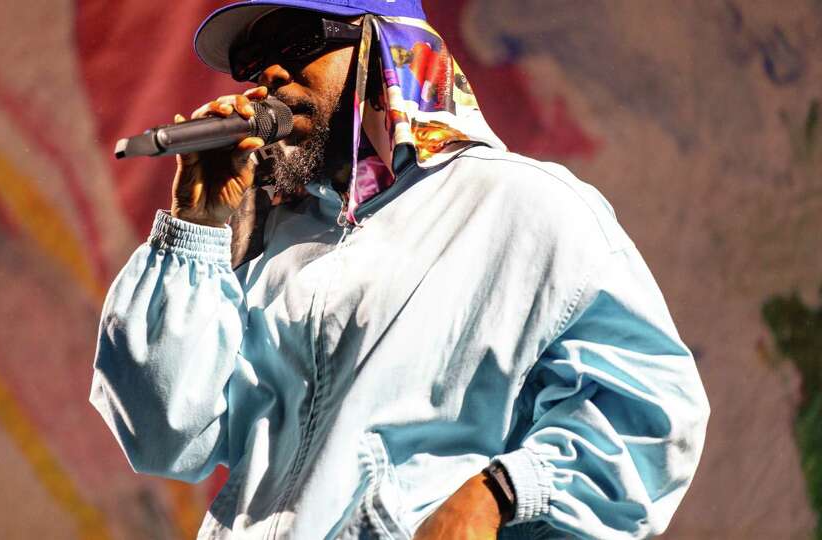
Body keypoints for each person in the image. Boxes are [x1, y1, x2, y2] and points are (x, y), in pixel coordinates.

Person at [89, 1, 710, 538]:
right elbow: (163, 435)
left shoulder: (523, 207)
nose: (269, 77)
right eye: (253, 63)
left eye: (299, 43)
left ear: (385, 49)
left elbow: (654, 415)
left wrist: (495, 493)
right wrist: (196, 227)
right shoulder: (275, 242)